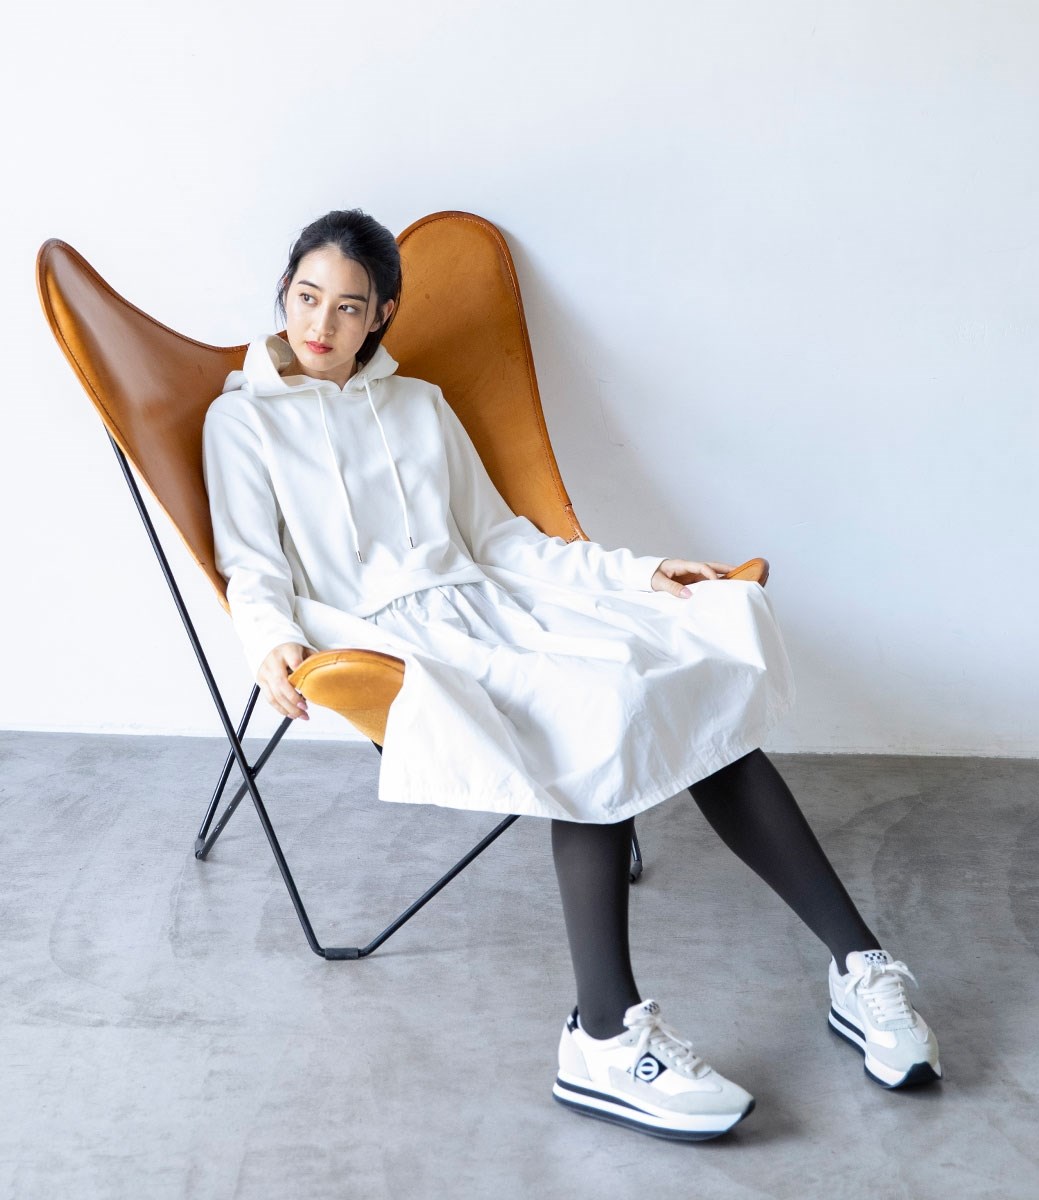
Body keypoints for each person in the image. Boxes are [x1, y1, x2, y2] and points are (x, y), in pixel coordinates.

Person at [202, 209, 941, 1142]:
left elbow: (502, 541)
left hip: (494, 602)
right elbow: (250, 565)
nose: (321, 323)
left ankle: (858, 965)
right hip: (386, 643)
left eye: (349, 307)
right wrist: (268, 638)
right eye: (307, 296)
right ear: (284, 290)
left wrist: (640, 574)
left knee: (685, 667)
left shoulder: (420, 406)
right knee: (595, 708)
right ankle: (602, 1035)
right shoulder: (241, 420)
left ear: (382, 313)